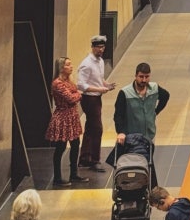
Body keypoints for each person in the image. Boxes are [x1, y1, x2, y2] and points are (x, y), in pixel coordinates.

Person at [114, 62, 170, 179]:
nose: (144, 80)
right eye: (141, 77)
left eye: (147, 76)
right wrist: (120, 132)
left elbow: (165, 96)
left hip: (149, 134)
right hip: (132, 137)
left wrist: (155, 112)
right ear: (135, 76)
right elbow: (118, 115)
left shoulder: (154, 88)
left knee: (148, 161)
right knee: (136, 164)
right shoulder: (125, 93)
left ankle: (147, 185)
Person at [45, 57, 86, 187]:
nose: (71, 66)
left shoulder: (68, 81)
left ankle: (74, 174)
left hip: (71, 117)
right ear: (62, 68)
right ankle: (57, 177)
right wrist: (79, 94)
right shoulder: (57, 83)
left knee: (75, 145)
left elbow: (73, 95)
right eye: (68, 65)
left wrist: (77, 94)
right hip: (63, 118)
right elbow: (71, 98)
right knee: (60, 148)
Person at [76, 33, 114, 172]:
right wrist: (100, 89)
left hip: (97, 97)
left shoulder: (100, 61)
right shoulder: (86, 64)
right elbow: (81, 85)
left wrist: (106, 85)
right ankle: (95, 160)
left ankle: (85, 158)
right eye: (98, 47)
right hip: (89, 99)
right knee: (97, 129)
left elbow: (98, 79)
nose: (101, 50)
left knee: (90, 128)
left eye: (103, 47)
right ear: (92, 47)